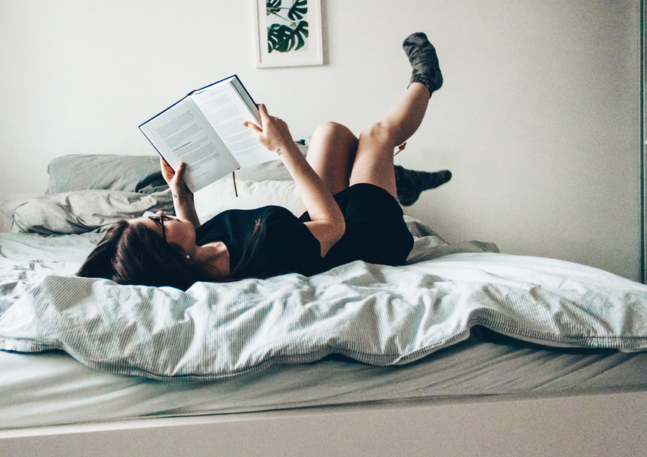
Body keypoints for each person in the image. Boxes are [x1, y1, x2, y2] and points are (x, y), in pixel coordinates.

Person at [78, 32, 444, 290]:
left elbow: (193, 232)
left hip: (313, 227)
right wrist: (284, 148)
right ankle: (426, 79)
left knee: (331, 133)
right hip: (364, 234)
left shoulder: (198, 256)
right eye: (158, 224)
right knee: (376, 136)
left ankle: (396, 180)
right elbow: (331, 226)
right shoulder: (258, 250)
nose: (161, 214)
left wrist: (181, 196)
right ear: (169, 258)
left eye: (153, 214)